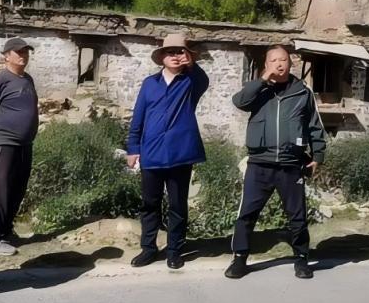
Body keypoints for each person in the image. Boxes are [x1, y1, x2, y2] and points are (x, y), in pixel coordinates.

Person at [225, 44, 327, 280]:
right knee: (247, 213)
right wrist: (263, 80)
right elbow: (239, 102)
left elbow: (314, 125)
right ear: (266, 64)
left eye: (283, 60)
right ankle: (239, 259)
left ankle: (301, 259)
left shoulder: (303, 92)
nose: (279, 64)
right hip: (259, 164)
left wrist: (318, 155)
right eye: (274, 61)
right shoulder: (257, 90)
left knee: (297, 216)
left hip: (291, 164)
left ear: (291, 64)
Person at [126, 33, 209, 270]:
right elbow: (138, 117)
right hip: (152, 152)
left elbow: (203, 80)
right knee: (149, 204)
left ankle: (174, 251)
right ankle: (148, 249)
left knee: (177, 205)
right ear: (161, 56)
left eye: (180, 52)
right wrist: (133, 148)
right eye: (170, 52)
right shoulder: (149, 83)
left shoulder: (191, 83)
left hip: (180, 154)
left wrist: (192, 63)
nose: (175, 56)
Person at [0, 37, 38, 256]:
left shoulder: (27, 79)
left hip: (24, 143)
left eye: (26, 52)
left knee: (17, 188)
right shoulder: (0, 80)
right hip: (4, 142)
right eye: (19, 52)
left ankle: (7, 230)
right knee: (0, 189)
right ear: (7, 56)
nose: (23, 56)